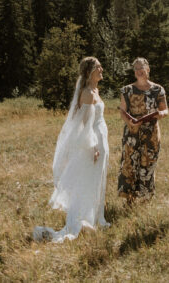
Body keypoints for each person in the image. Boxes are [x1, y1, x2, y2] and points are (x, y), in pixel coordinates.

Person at [33, 57, 110, 243]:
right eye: (98, 67)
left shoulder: (95, 90)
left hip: (100, 140)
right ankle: (81, 221)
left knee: (97, 179)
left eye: (100, 67)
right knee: (88, 181)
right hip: (92, 144)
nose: (101, 69)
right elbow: (82, 125)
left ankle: (95, 216)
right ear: (89, 71)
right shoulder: (87, 93)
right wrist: (92, 147)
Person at [117, 57, 169, 204]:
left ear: (148, 69)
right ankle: (129, 200)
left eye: (142, 68)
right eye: (136, 69)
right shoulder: (126, 90)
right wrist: (129, 122)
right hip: (132, 133)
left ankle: (146, 199)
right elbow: (122, 111)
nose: (139, 71)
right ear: (134, 72)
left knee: (148, 164)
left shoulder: (158, 89)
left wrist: (161, 114)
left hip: (151, 133)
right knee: (130, 163)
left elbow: (165, 109)